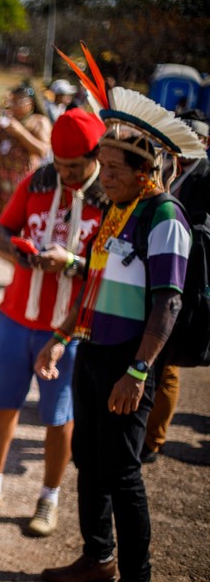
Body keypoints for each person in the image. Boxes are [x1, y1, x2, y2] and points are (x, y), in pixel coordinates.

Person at [36, 54, 206, 581]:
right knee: (89, 458)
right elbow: (95, 278)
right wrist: (62, 336)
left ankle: (138, 572)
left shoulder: (164, 217)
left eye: (113, 170)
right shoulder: (117, 209)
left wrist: (138, 371)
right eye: (101, 167)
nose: (102, 178)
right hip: (92, 351)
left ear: (144, 172)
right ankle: (98, 556)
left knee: (123, 471)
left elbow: (168, 300)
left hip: (129, 361)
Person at [0, 108, 108, 537]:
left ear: (95, 156)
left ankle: (49, 497)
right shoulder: (39, 180)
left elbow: (111, 268)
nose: (66, 174)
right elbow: (3, 230)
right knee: (3, 405)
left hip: (69, 327)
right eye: (60, 166)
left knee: (58, 417)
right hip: (15, 316)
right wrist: (19, 252)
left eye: (75, 167)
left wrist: (74, 263)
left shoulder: (109, 197)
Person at [141, 109, 210, 464]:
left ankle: (154, 440)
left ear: (205, 142)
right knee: (151, 360)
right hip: (154, 267)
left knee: (167, 362)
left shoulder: (206, 176)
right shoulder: (165, 167)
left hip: (188, 276)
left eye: (192, 137)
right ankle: (143, 429)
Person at [0, 81, 52, 280]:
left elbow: (43, 150)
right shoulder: (5, 121)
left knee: (14, 226)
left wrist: (19, 132)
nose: (15, 105)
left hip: (20, 184)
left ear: (30, 103)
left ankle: (16, 271)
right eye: (12, 101)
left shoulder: (38, 122)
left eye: (19, 101)